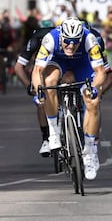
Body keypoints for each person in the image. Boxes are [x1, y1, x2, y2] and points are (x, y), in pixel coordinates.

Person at [31, 17, 106, 180]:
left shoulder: (89, 39)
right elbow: (37, 71)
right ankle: (54, 132)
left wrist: (94, 88)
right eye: (67, 41)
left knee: (92, 101)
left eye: (75, 42)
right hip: (59, 62)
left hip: (83, 64)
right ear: (61, 36)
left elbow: (100, 72)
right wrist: (39, 91)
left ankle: (90, 151)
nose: (71, 45)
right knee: (49, 82)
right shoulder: (50, 38)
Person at [15, 23, 55, 157]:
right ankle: (46, 138)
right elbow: (19, 67)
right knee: (41, 99)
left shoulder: (58, 38)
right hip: (42, 67)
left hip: (60, 63)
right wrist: (29, 86)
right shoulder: (35, 40)